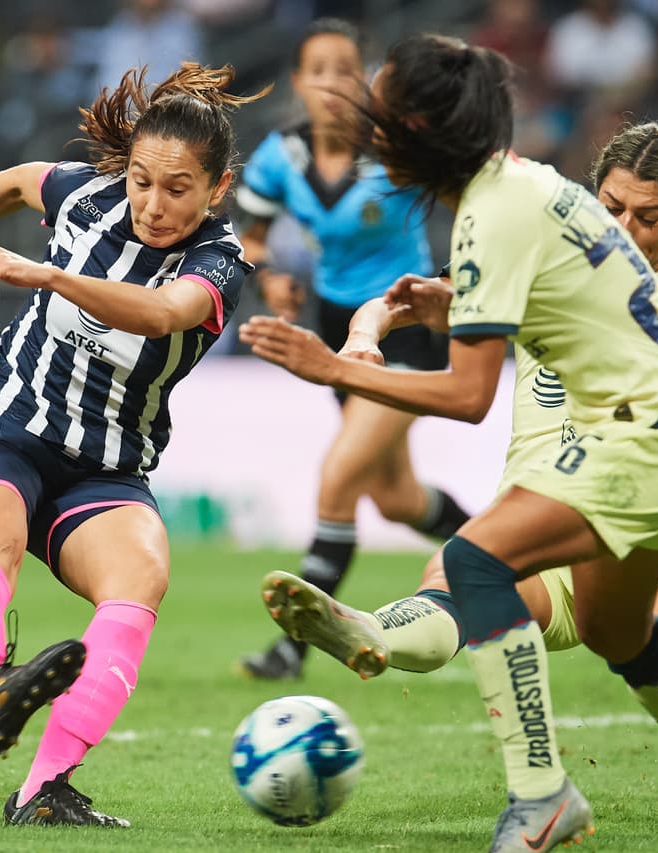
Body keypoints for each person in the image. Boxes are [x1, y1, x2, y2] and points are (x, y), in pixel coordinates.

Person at [238, 29, 658, 852]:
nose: (626, 226)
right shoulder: (547, 231)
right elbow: (443, 306)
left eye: (648, 217)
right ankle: (373, 634)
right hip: (556, 486)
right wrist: (374, 324)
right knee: (480, 587)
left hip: (632, 469)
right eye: (614, 205)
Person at [0, 62, 267, 827]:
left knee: (141, 577)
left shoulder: (219, 262)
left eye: (177, 189)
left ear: (216, 189)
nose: (152, 203)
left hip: (107, 463)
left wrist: (48, 274)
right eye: (143, 180)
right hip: (6, 419)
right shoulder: (86, 193)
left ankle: (43, 789)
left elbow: (157, 313)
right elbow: (19, 181)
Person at [234, 18, 470, 680]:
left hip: (403, 326)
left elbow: (463, 188)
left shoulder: (396, 150)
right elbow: (248, 234)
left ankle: (294, 647)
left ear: (365, 79)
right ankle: (501, 555)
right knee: (396, 497)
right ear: (298, 84)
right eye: (320, 70)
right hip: (340, 332)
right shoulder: (283, 156)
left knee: (339, 475)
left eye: (346, 68)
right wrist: (270, 276)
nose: (334, 82)